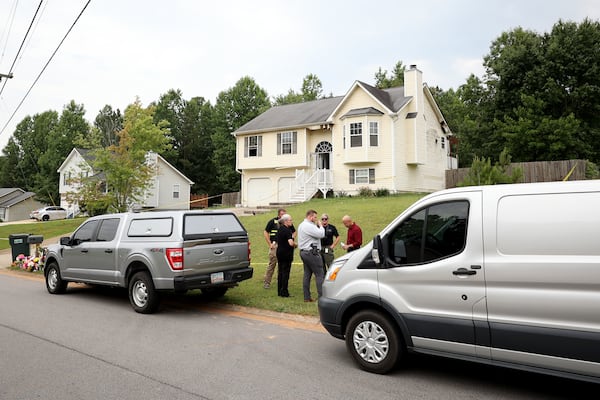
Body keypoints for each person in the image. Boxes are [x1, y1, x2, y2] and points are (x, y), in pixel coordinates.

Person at [297, 209, 325, 302]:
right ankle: (322, 297)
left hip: (304, 252)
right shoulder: (308, 226)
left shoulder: (301, 225)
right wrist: (320, 226)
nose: (316, 219)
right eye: (315, 217)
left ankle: (307, 297)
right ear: (310, 216)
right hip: (311, 252)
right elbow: (321, 234)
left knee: (307, 274)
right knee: (320, 274)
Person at [263, 208, 292, 289]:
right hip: (275, 245)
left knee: (282, 265)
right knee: (272, 264)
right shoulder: (273, 222)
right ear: (279, 214)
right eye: (282, 214)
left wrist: (291, 239)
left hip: (284, 246)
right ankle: (267, 282)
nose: (284, 216)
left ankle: (281, 282)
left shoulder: (288, 223)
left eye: (285, 214)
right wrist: (270, 244)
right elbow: (265, 232)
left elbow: (294, 232)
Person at [275, 214, 296, 297]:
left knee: (280, 272)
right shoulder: (287, 230)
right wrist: (295, 245)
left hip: (279, 253)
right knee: (285, 273)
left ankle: (279, 291)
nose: (291, 222)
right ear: (286, 221)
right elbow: (290, 243)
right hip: (286, 254)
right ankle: (284, 292)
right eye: (290, 220)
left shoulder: (280, 229)